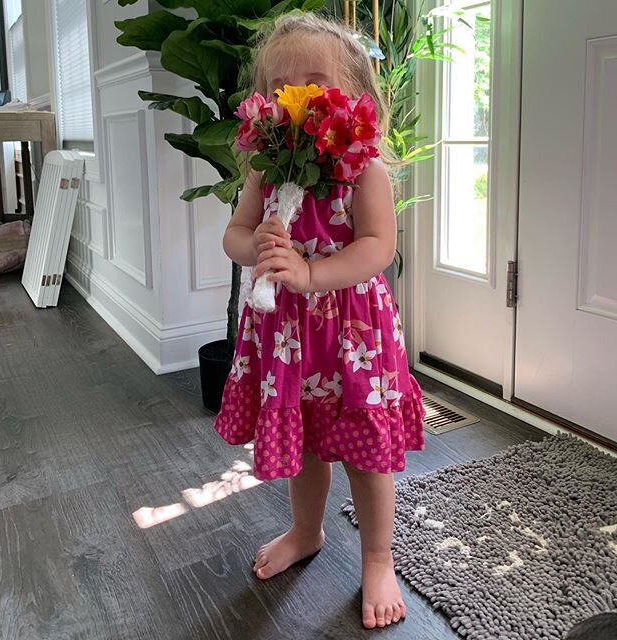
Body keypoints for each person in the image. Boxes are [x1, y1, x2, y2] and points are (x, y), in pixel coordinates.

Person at [214, 12, 425, 630]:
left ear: (356, 100)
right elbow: (234, 232)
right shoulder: (267, 171)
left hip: (354, 337)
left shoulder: (366, 171)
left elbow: (377, 248)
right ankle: (306, 532)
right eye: (280, 90)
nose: (296, 101)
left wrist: (310, 275)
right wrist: (255, 248)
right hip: (288, 337)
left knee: (364, 452)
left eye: (313, 84)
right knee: (306, 443)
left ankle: (378, 557)